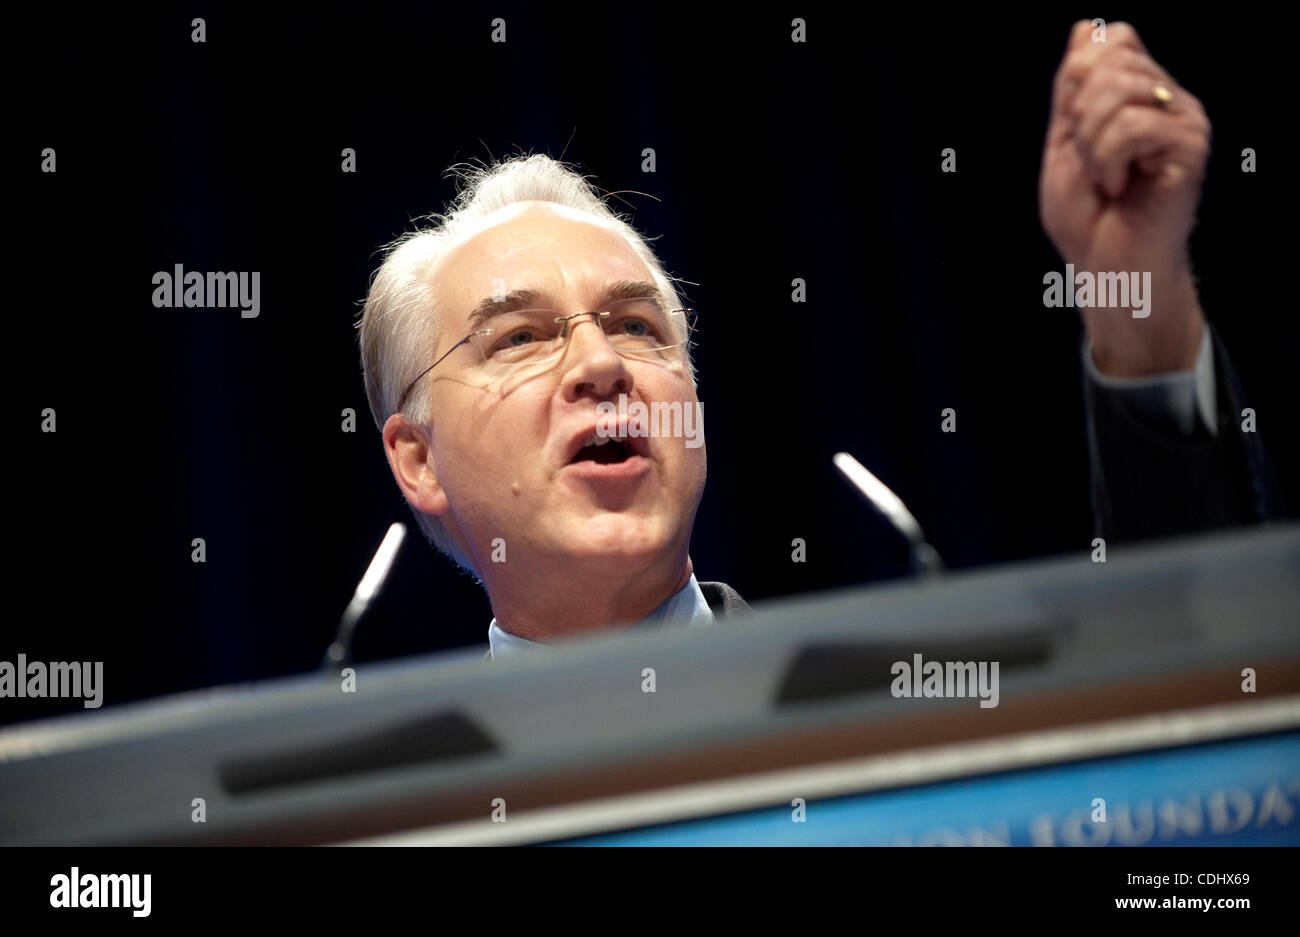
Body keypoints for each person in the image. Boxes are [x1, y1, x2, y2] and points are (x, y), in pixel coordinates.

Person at [358, 20, 1280, 660]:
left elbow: (1189, 697)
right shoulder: (394, 816)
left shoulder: (914, 715)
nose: (602, 366)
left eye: (638, 327)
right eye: (521, 338)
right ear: (417, 457)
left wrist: (1140, 295)